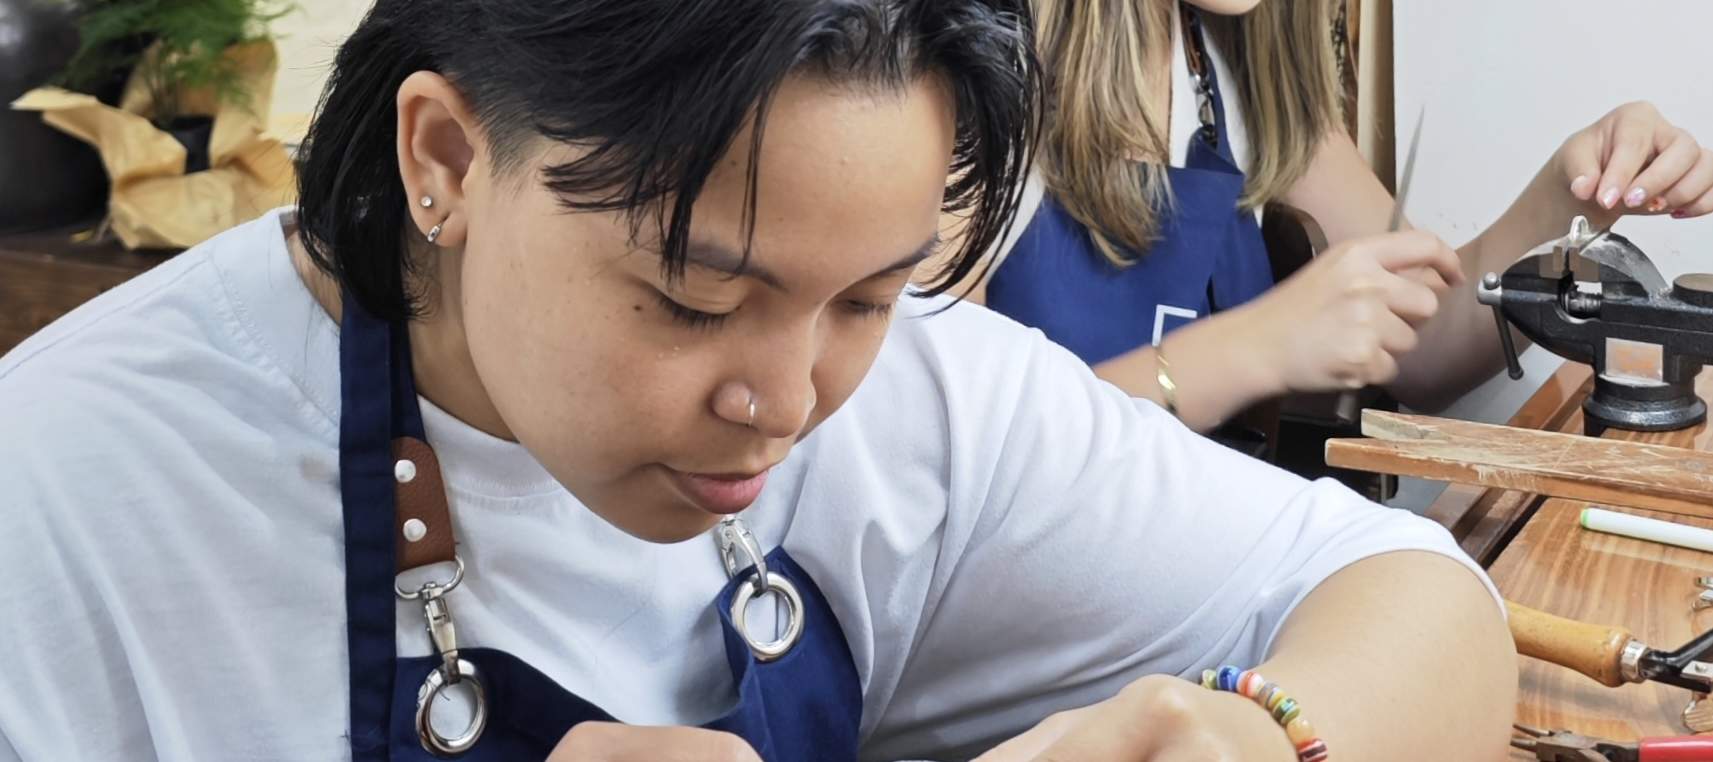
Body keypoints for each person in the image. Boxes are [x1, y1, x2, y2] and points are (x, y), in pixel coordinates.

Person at [0, 1, 1515, 760]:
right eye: (694, 298)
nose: (787, 401)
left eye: (865, 291)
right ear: (447, 160)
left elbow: (1425, 599)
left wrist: (1259, 734)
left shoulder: (923, 406)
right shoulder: (65, 496)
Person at [922, 0, 1713, 436]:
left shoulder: (1221, 58)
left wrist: (1568, 191)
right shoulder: (959, 63)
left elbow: (1424, 346)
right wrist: (1259, 344)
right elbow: (961, 454)